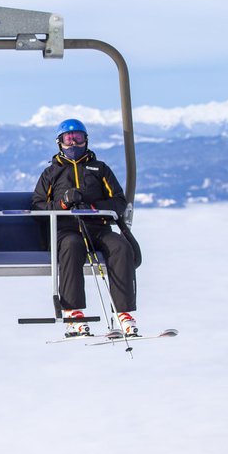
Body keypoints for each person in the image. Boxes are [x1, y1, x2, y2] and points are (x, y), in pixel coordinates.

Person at [31, 118, 141, 337]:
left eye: (78, 139)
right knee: (71, 246)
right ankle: (73, 312)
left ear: (86, 141)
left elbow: (118, 201)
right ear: (59, 143)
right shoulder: (51, 173)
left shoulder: (99, 169)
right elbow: (38, 206)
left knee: (119, 246)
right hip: (67, 229)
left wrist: (93, 206)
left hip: (97, 227)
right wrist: (62, 204)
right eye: (68, 140)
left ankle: (123, 313)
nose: (73, 144)